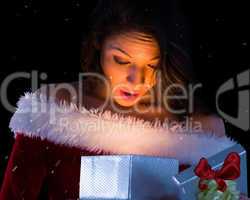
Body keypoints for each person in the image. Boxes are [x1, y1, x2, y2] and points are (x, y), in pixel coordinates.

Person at [0, 0, 247, 199]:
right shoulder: (55, 108)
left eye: (151, 64)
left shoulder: (203, 130)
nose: (136, 79)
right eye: (121, 60)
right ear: (98, 43)